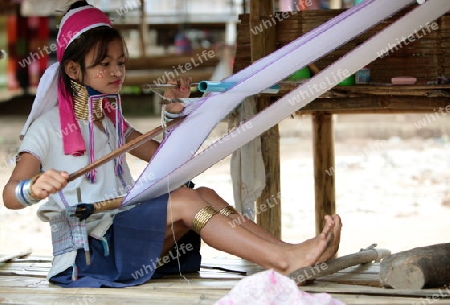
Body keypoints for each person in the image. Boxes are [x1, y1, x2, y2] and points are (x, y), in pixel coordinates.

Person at [2, 1, 342, 288]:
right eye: (104, 64)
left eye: (121, 61)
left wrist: (174, 112)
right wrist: (33, 187)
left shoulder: (111, 121)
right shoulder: (46, 129)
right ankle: (285, 260)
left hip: (118, 234)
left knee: (203, 193)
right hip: (87, 256)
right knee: (184, 201)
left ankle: (289, 252)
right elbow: (9, 194)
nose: (116, 71)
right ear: (74, 70)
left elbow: (166, 160)